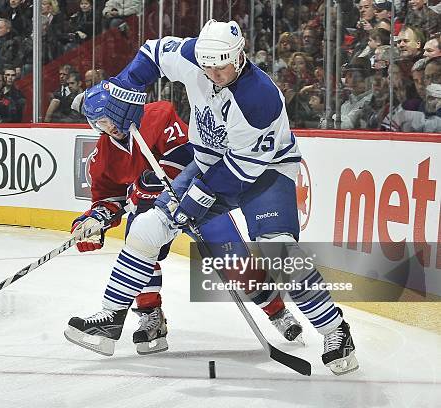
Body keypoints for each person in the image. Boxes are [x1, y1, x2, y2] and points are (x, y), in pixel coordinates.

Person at [65, 20, 358, 375]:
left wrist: (193, 201)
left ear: (239, 55)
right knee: (145, 228)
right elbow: (152, 52)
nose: (214, 73)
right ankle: (111, 318)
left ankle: (334, 330)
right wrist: (127, 83)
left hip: (265, 173)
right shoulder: (195, 56)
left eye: (222, 66)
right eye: (208, 66)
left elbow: (240, 171)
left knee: (278, 250)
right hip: (208, 162)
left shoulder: (259, 98)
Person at [66, 83, 306, 356]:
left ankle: (276, 311)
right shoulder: (102, 158)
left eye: (110, 118)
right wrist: (94, 220)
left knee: (233, 260)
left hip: (198, 199)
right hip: (153, 213)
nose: (110, 127)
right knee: (139, 247)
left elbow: (189, 156)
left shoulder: (158, 114)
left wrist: (153, 184)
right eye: (100, 123)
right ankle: (150, 317)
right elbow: (110, 199)